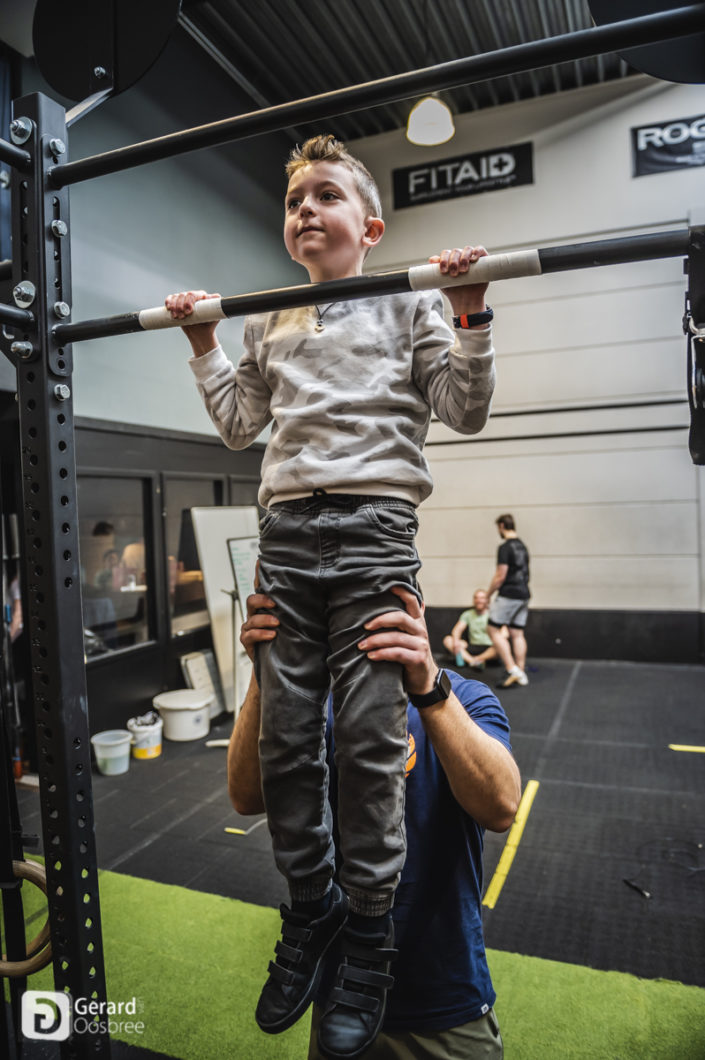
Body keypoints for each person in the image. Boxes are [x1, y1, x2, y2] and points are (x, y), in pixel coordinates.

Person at [165, 134, 496, 1057]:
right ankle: (311, 905)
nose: (304, 209)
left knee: (367, 738)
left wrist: (470, 314)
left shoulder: (409, 298)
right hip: (284, 538)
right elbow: (240, 426)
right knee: (283, 737)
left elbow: (464, 408)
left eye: (324, 196)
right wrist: (203, 342)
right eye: (293, 201)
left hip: (372, 533)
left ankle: (370, 935)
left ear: (369, 227)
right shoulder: (265, 318)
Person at [230, 587, 521, 1060]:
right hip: (341, 992)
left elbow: (502, 807)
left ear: (415, 612)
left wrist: (428, 689)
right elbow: (245, 796)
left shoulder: (464, 696)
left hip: (443, 996)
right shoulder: (315, 705)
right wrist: (269, 674)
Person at [487, 514, 530, 689]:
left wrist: (488, 594)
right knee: (517, 633)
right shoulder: (522, 546)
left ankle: (512, 669)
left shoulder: (505, 547)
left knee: (492, 629)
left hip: (509, 594)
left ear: (502, 526)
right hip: (524, 594)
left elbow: (500, 576)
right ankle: (521, 672)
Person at [442, 588, 500, 670]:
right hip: (472, 646)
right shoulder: (467, 614)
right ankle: (472, 661)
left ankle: (476, 659)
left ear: (487, 600)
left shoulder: (494, 614)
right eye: (476, 598)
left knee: (501, 646)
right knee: (448, 640)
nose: (478, 600)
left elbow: (505, 632)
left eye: (482, 598)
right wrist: (456, 642)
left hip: (490, 648)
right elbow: (457, 630)